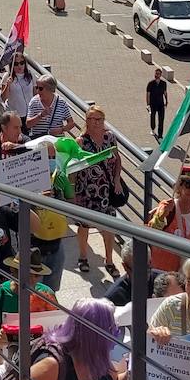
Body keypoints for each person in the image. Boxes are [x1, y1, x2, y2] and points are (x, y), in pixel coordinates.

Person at [72, 106, 122, 277]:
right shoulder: (81, 141)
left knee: (109, 227)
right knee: (84, 225)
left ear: (103, 120)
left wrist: (116, 180)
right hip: (86, 189)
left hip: (106, 190)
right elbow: (73, 167)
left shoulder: (110, 137)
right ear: (86, 121)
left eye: (98, 119)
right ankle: (83, 256)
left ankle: (109, 260)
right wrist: (71, 193)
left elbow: (117, 159)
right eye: (91, 119)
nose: (95, 122)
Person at [0, 247, 58, 343]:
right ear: (13, 271)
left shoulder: (47, 295)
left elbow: (58, 330)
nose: (32, 279)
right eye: (27, 274)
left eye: (37, 275)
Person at [145, 165, 190, 271]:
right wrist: (162, 216)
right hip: (162, 268)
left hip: (183, 269)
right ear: (179, 187)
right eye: (188, 185)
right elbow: (152, 229)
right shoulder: (167, 206)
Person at [25, 73, 74, 138]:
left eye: (40, 88)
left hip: (57, 142)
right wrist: (40, 115)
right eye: (37, 87)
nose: (38, 91)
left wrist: (62, 129)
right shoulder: (34, 101)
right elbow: (28, 124)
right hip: (40, 142)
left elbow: (71, 123)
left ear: (49, 89)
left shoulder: (61, 102)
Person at [1, 53, 35, 118]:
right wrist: (7, 85)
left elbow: (35, 93)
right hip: (15, 115)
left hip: (30, 114)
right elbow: (3, 98)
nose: (19, 66)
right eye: (16, 64)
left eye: (22, 63)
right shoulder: (7, 76)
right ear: (12, 65)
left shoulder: (30, 74)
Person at [146, 68, 169, 137]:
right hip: (153, 104)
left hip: (160, 104)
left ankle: (160, 135)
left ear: (161, 75)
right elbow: (148, 94)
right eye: (156, 73)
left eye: (158, 74)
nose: (157, 75)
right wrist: (148, 104)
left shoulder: (163, 83)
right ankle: (153, 129)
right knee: (152, 117)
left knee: (161, 119)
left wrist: (166, 101)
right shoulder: (150, 83)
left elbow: (165, 92)